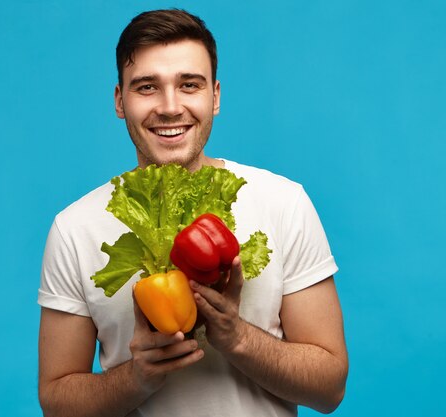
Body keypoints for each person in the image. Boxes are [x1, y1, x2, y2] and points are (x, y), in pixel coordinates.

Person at [37, 9, 348, 417]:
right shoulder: (74, 228)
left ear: (215, 97)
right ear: (119, 100)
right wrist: (137, 378)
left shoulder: (283, 202)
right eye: (147, 87)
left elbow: (330, 388)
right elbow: (56, 403)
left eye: (189, 85)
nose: (170, 107)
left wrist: (236, 338)